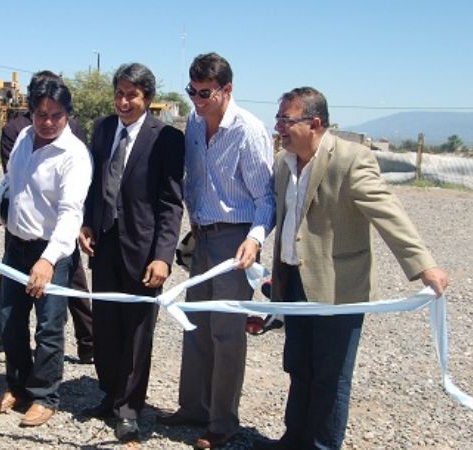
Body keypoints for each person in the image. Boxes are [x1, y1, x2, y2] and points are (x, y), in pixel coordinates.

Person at [255, 87, 448, 450]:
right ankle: (293, 439)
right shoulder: (284, 162)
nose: (278, 126)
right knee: (299, 367)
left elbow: (387, 212)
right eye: (278, 118)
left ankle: (322, 445)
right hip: (292, 282)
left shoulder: (350, 159)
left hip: (337, 287)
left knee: (331, 376)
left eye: (285, 119)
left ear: (313, 123)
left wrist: (424, 265)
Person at [158, 52, 275, 450]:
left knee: (226, 333)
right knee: (196, 325)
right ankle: (193, 407)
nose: (196, 99)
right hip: (203, 235)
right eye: (192, 91)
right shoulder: (193, 122)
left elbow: (266, 199)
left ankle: (223, 423)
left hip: (235, 239)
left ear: (227, 89)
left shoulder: (249, 131)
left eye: (205, 92)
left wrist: (255, 239)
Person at [78, 63, 184, 442]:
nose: (123, 101)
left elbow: (171, 203)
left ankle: (129, 408)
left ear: (148, 99)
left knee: (138, 333)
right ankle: (110, 395)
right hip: (104, 245)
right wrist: (87, 223)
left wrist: (163, 256)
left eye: (132, 95)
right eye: (119, 94)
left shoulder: (167, 138)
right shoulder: (104, 129)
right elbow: (95, 184)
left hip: (143, 251)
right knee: (105, 326)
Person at [0, 77, 92, 427]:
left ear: (67, 115)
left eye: (56, 115)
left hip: (52, 254)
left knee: (48, 326)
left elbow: (70, 214)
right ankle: (18, 386)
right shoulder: (24, 140)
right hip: (16, 247)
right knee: (10, 319)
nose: (47, 122)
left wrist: (48, 260)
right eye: (40, 114)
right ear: (30, 112)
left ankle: (45, 395)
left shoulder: (73, 155)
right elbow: (11, 183)